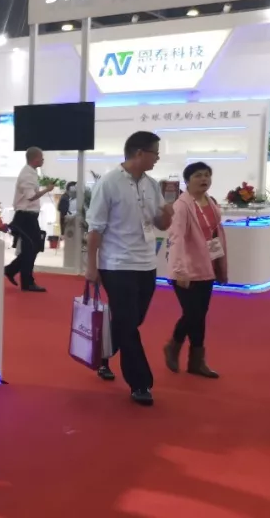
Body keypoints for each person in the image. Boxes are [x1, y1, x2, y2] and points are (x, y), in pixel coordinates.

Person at [86, 131, 174, 406]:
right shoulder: (109, 183)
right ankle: (140, 382)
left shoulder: (152, 184)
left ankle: (104, 353)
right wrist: (91, 266)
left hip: (146, 263)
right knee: (127, 321)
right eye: (155, 153)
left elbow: (161, 225)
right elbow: (95, 229)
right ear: (139, 153)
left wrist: (168, 214)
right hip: (116, 263)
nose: (157, 158)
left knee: (132, 320)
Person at [164, 162, 225, 379]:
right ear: (187, 180)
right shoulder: (181, 206)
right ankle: (173, 345)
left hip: (206, 266)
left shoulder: (211, 202)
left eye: (207, 175)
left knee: (200, 315)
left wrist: (220, 264)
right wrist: (180, 270)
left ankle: (196, 362)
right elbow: (177, 238)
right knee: (193, 314)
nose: (204, 179)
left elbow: (215, 234)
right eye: (198, 175)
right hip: (185, 269)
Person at [5, 147, 54, 293]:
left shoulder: (31, 173)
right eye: (41, 157)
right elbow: (30, 196)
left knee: (33, 247)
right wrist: (47, 190)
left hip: (29, 217)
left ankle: (12, 270)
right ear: (35, 159)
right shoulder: (27, 175)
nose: (43, 160)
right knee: (33, 247)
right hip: (25, 217)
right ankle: (25, 280)